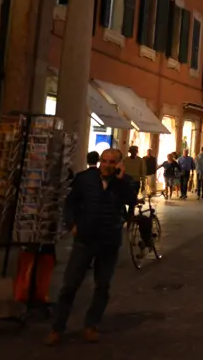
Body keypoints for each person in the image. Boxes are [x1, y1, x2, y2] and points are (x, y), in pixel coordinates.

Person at [47, 148, 136, 346]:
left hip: (109, 241)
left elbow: (131, 200)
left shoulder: (124, 182)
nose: (107, 165)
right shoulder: (84, 179)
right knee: (70, 285)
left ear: (119, 164)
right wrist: (72, 225)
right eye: (104, 161)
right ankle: (57, 328)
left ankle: (91, 325)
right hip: (85, 240)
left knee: (102, 286)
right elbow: (70, 203)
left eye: (112, 162)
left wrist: (120, 181)